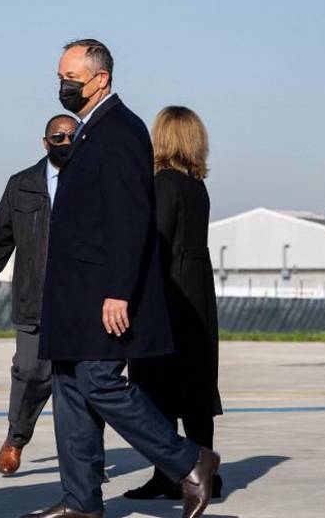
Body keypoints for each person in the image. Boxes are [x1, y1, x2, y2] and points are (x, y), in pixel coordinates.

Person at [20, 39, 220, 518]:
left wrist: (118, 291)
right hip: (73, 297)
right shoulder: (90, 132)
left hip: (99, 294)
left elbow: (130, 218)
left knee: (100, 382)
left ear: (100, 79)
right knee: (70, 391)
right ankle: (81, 500)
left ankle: (189, 461)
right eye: (60, 77)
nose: (63, 85)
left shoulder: (122, 131)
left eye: (71, 77)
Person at [0, 113, 78, 475]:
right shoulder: (22, 186)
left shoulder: (94, 181)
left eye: (72, 136)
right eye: (58, 137)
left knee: (82, 385)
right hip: (35, 302)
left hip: (80, 305)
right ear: (45, 143)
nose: (65, 143)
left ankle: (84, 461)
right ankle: (16, 437)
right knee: (31, 372)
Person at [126, 106, 223, 501]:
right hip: (197, 293)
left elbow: (159, 243)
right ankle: (206, 473)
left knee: (158, 387)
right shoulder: (197, 187)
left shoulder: (163, 184)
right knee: (196, 387)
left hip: (170, 294)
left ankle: (168, 474)